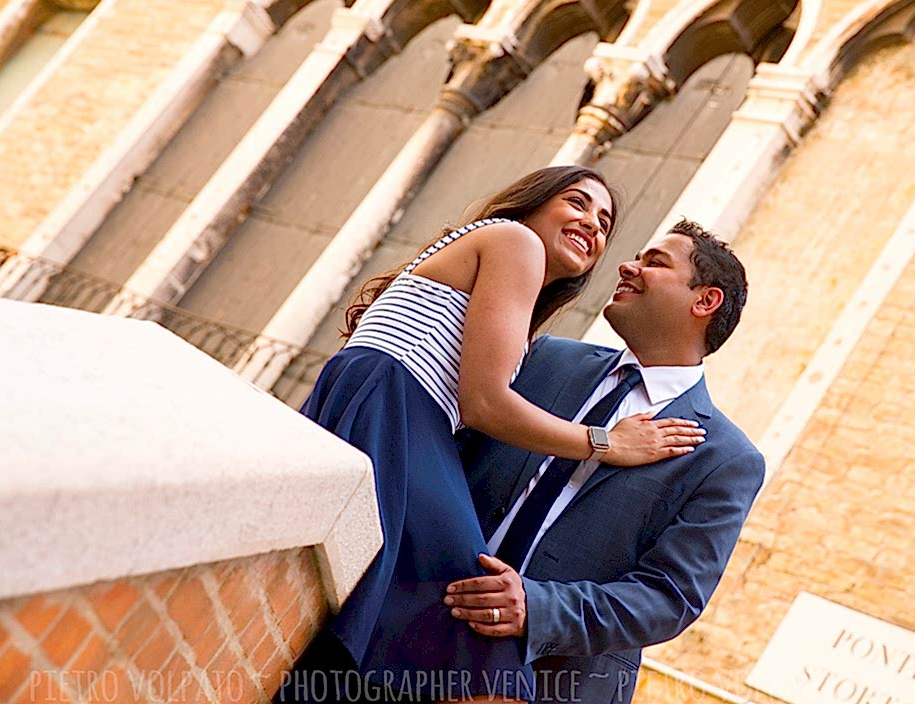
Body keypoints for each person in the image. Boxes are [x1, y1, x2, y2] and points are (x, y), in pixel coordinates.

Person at [276, 168, 706, 703]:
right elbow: (484, 403)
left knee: (426, 623)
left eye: (604, 223)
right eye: (577, 203)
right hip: (397, 412)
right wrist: (606, 443)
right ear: (533, 204)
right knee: (481, 639)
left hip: (396, 413)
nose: (592, 227)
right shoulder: (515, 240)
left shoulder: (508, 264)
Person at [450, 219, 765, 704]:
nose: (627, 265)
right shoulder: (546, 358)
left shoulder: (726, 459)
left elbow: (669, 597)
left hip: (548, 683)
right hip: (417, 624)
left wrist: (536, 607)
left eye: (654, 262)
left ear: (705, 301)